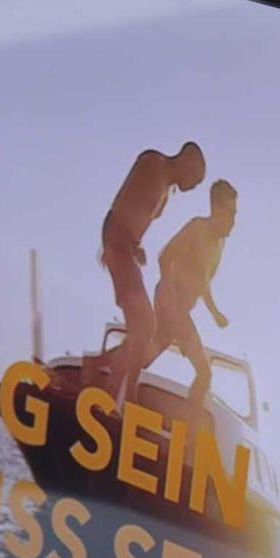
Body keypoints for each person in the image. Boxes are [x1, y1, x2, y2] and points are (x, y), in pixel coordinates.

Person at [94, 142, 206, 403]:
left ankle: (108, 386)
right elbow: (123, 201)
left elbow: (139, 217)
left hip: (126, 246)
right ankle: (126, 395)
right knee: (145, 325)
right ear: (186, 162)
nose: (191, 188)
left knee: (143, 329)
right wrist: (113, 241)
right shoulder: (154, 163)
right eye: (194, 180)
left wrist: (136, 247)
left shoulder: (168, 191)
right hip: (118, 241)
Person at [148, 179, 239, 410]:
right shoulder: (198, 227)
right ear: (216, 209)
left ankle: (108, 371)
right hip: (173, 304)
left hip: (179, 309)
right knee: (205, 373)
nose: (233, 221)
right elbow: (165, 256)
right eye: (230, 213)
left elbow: (203, 282)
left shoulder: (220, 245)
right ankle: (189, 426)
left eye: (235, 214)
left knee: (152, 349)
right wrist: (169, 295)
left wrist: (215, 312)